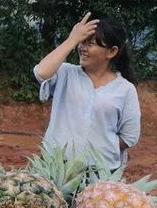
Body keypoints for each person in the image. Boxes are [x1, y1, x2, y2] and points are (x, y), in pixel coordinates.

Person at [33, 12, 141, 171]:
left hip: (99, 172)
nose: (83, 48)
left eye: (90, 43)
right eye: (81, 42)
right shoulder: (66, 73)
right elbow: (41, 72)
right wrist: (72, 39)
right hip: (55, 169)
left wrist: (99, 148)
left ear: (111, 52)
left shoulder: (125, 89)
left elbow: (129, 136)